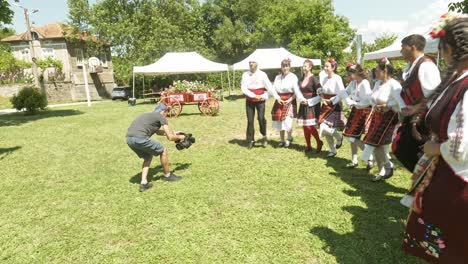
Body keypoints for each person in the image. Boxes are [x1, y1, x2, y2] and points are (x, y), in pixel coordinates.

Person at [402, 16, 468, 263]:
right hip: (447, 172)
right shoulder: (459, 81)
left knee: (453, 250)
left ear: (450, 49)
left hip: (458, 178)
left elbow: (462, 146)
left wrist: (435, 146)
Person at [392, 34, 441, 172]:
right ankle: (422, 181)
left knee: (409, 150)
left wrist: (416, 108)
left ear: (412, 47)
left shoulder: (426, 66)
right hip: (413, 117)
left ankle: (425, 182)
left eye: (403, 47)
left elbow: (435, 94)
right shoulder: (410, 67)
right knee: (399, 147)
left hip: (424, 119)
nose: (401, 51)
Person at [126, 104, 186, 192]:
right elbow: (170, 138)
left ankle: (143, 183)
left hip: (129, 139)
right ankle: (167, 176)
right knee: (163, 150)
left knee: (148, 157)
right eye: (167, 112)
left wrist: (173, 132)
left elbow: (158, 132)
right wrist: (181, 137)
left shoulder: (147, 115)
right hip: (140, 138)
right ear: (163, 111)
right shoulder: (161, 117)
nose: (167, 115)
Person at [361, 57, 400, 182]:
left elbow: (401, 102)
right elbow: (372, 98)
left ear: (385, 71)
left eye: (377, 70)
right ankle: (382, 170)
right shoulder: (378, 83)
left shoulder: (394, 84)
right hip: (377, 116)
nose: (375, 72)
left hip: (389, 118)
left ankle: (388, 166)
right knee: (377, 145)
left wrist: (388, 106)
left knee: (378, 144)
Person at [241, 60, 280, 149]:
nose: (251, 64)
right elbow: (244, 88)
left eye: (253, 62)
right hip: (250, 100)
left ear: (257, 64)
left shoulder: (262, 74)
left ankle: (264, 136)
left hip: (260, 100)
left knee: (261, 118)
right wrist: (254, 95)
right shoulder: (245, 75)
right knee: (250, 121)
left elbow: (269, 87)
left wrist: (277, 97)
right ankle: (251, 140)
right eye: (250, 63)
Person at [342, 64, 373, 168]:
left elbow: (368, 99)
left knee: (354, 137)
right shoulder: (353, 83)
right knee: (351, 136)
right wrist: (348, 100)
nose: (349, 75)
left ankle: (369, 157)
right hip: (356, 110)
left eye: (350, 73)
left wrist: (356, 104)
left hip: (364, 111)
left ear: (356, 73)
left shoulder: (364, 83)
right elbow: (345, 92)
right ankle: (354, 160)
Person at [318, 58, 347, 157]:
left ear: (333, 67)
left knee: (326, 127)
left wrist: (332, 100)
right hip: (325, 105)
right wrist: (322, 98)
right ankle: (332, 150)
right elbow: (321, 90)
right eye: (324, 66)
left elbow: (341, 92)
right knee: (323, 127)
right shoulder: (324, 78)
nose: (325, 68)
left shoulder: (337, 78)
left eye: (327, 66)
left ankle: (339, 138)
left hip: (334, 105)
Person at [271, 59, 300, 147]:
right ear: (281, 67)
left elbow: (297, 91)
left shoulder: (293, 77)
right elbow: (273, 89)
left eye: (287, 66)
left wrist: (290, 99)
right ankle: (282, 140)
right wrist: (277, 98)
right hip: (279, 100)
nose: (285, 68)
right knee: (280, 121)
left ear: (289, 67)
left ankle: (289, 138)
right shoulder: (277, 77)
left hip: (290, 99)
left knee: (288, 121)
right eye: (283, 66)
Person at [296, 59, 323, 152]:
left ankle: (319, 142)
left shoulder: (314, 79)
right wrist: (301, 99)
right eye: (303, 66)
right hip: (303, 103)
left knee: (309, 126)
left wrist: (309, 101)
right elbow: (298, 91)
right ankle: (308, 146)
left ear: (310, 67)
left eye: (305, 66)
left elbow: (320, 94)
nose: (303, 68)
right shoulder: (301, 79)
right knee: (304, 125)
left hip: (312, 104)